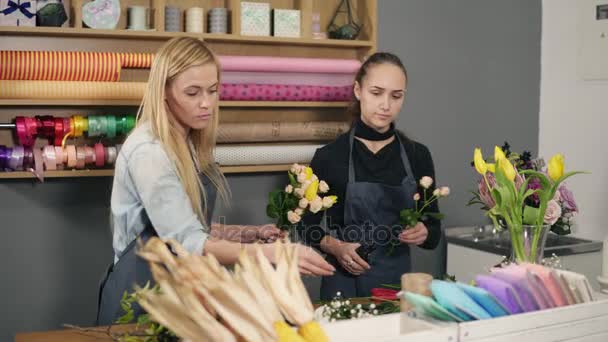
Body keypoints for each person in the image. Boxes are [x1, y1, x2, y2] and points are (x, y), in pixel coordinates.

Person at [97, 37, 334, 325]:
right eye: (193, 92)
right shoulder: (150, 152)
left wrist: (244, 233)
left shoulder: (188, 142)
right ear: (164, 92)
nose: (206, 103)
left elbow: (180, 225)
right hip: (139, 294)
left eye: (212, 90)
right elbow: (187, 241)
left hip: (178, 287)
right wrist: (275, 254)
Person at [299, 52, 442, 300]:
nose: (386, 105)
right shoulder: (330, 156)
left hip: (396, 283)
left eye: (396, 96)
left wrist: (424, 232)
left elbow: (434, 232)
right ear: (358, 91)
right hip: (343, 282)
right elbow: (305, 226)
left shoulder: (417, 155)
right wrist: (337, 247)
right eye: (376, 93)